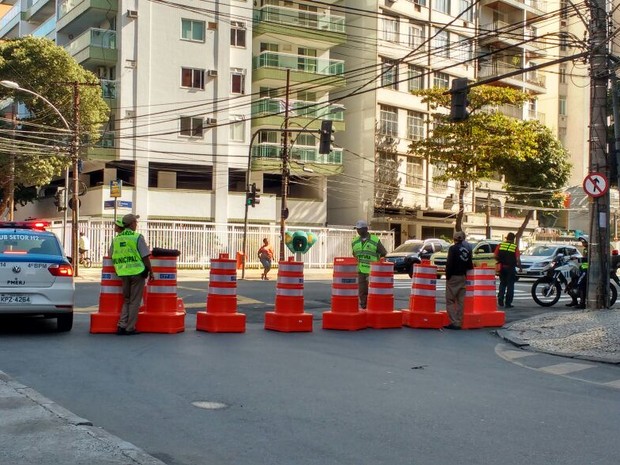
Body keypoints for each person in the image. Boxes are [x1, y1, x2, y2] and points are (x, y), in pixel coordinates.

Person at [109, 214, 154, 335]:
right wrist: (151, 271)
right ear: (132, 224)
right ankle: (130, 328)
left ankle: (121, 325)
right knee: (135, 301)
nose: (136, 225)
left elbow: (111, 255)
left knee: (127, 300)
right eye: (136, 222)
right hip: (137, 272)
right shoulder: (137, 237)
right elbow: (145, 256)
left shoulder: (116, 239)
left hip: (122, 273)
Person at [351, 220, 388, 310]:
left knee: (373, 292)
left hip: (373, 271)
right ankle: (364, 308)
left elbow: (383, 252)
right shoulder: (354, 241)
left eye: (360, 229)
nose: (358, 231)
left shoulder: (374, 240)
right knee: (362, 292)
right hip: (361, 271)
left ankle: (374, 308)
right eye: (357, 229)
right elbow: (354, 254)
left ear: (366, 229)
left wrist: (376, 262)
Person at [445, 231, 473, 329]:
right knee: (461, 301)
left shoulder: (453, 249)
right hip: (463, 277)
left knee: (450, 300)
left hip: (453, 277)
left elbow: (449, 264)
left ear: (454, 238)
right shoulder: (468, 249)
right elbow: (470, 265)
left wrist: (448, 276)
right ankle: (459, 321)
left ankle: (454, 322)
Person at [494, 232, 522, 309]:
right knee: (510, 285)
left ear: (507, 238)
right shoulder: (514, 247)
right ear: (513, 239)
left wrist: (499, 260)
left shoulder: (500, 245)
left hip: (502, 267)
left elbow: (495, 255)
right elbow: (517, 259)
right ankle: (508, 303)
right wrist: (520, 267)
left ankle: (500, 299)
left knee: (502, 283)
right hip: (511, 268)